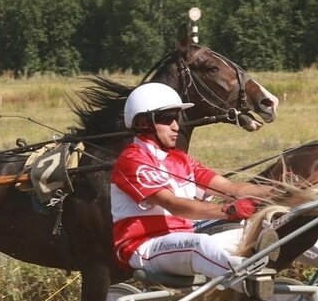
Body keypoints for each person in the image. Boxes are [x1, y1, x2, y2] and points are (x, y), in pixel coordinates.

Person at [110, 82, 273, 279]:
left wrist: (284, 192)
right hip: (143, 246)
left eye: (177, 118)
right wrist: (228, 211)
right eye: (167, 119)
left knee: (267, 230)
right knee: (200, 245)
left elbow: (231, 188)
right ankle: (249, 281)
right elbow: (174, 205)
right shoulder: (132, 159)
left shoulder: (181, 159)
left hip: (182, 240)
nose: (176, 126)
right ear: (143, 123)